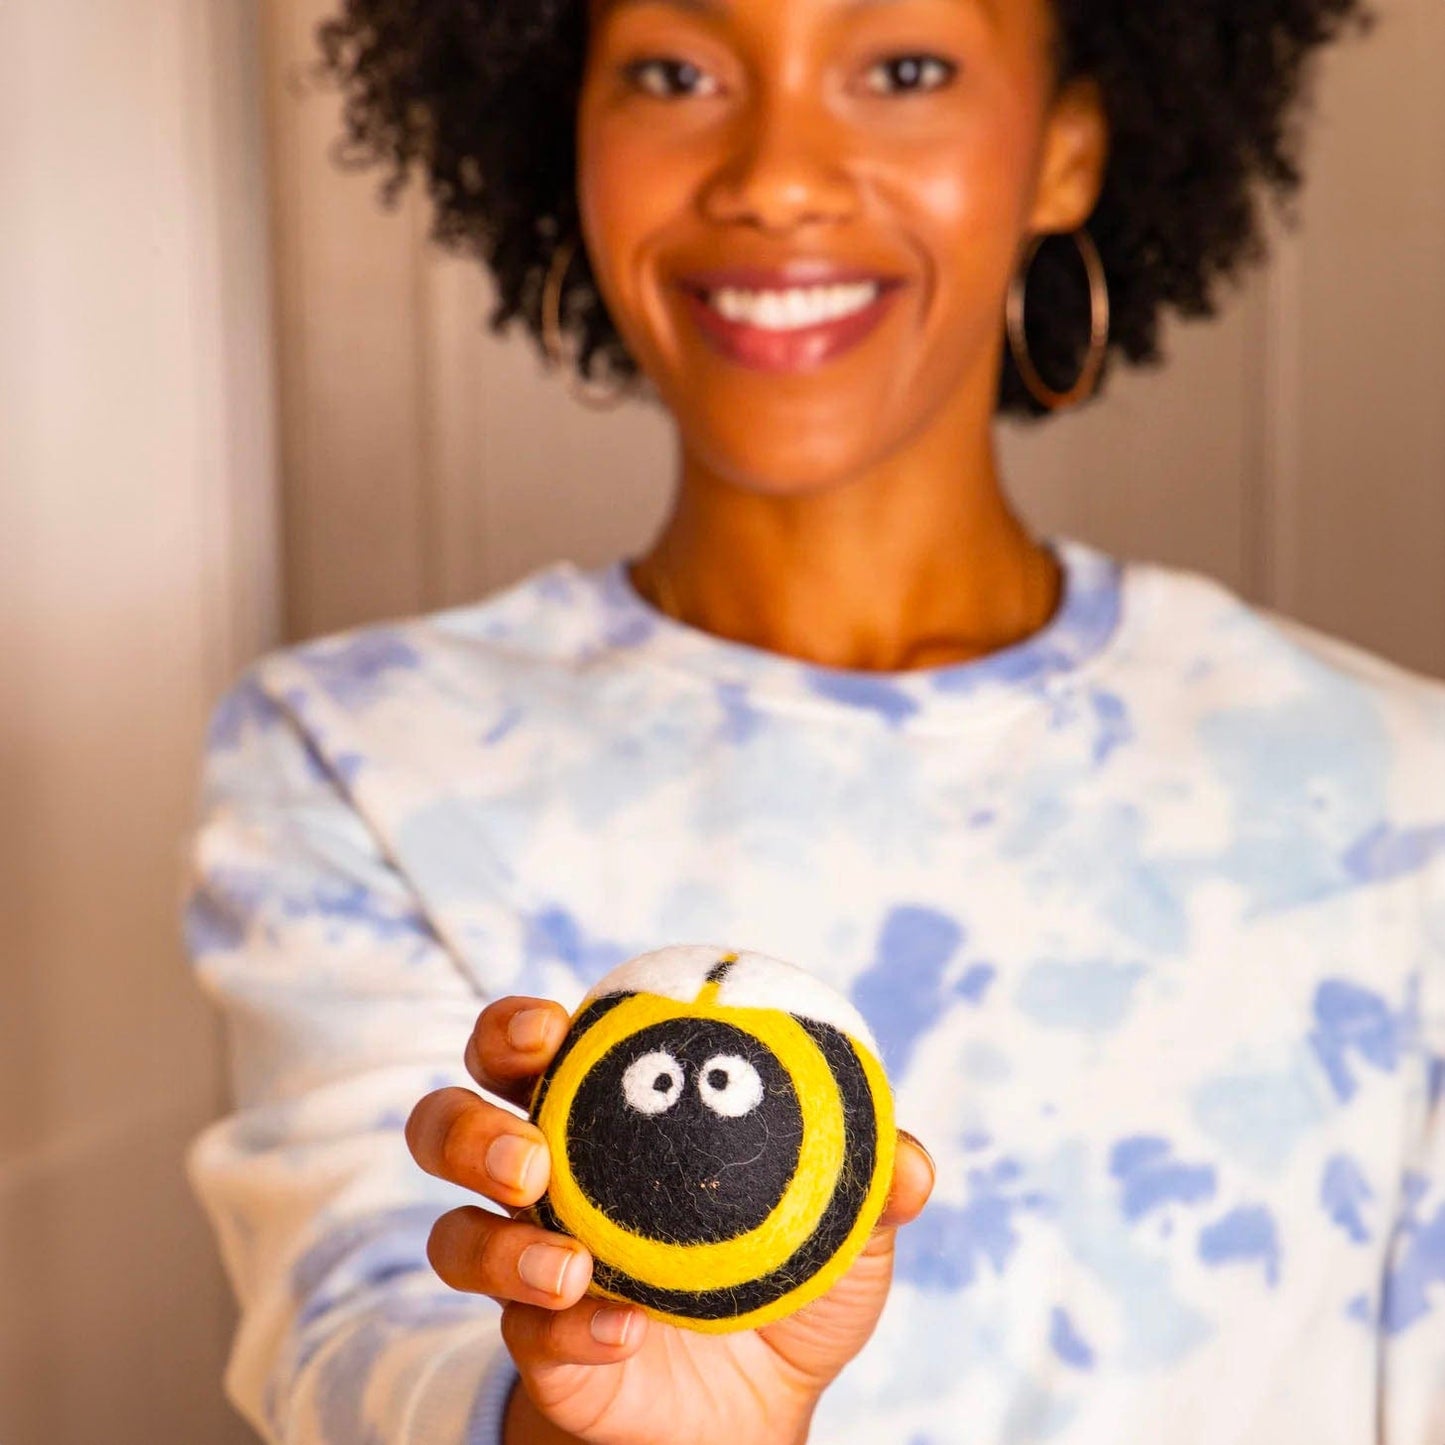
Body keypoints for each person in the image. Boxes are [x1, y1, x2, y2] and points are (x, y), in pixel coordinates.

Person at [182, 0, 1445, 1439]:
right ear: (569, 132)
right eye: (675, 70)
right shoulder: (353, 756)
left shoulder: (1400, 793)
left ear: (1067, 150)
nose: (774, 174)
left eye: (902, 68)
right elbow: (353, 1347)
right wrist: (587, 1421)